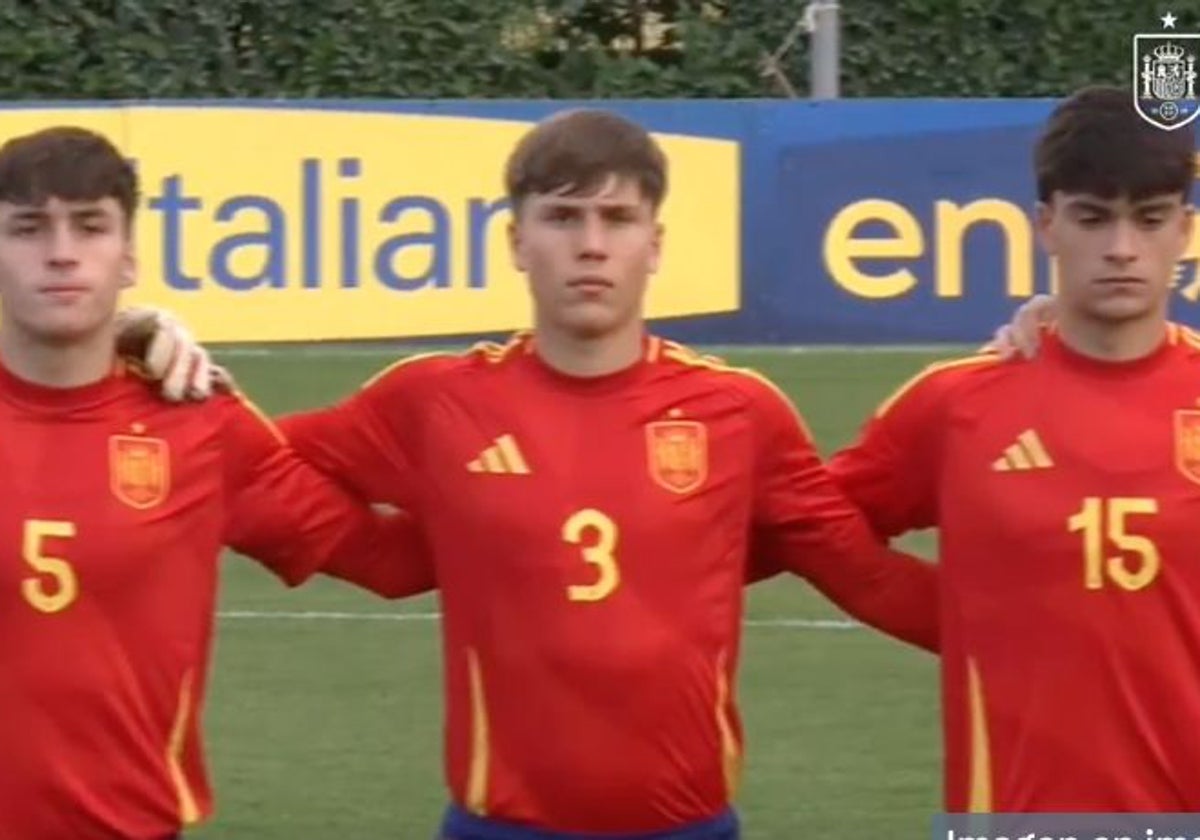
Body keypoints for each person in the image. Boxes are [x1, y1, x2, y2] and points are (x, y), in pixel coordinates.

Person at [123, 108, 939, 839]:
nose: (590, 242)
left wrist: (1033, 638)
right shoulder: (435, 401)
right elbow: (253, 464)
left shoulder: (738, 412)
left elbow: (863, 574)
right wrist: (139, 353)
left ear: (654, 244)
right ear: (516, 240)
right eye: (562, 216)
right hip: (498, 827)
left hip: (687, 829)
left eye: (617, 218)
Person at [0, 126, 433, 840]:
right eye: (26, 228)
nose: (61, 251)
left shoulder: (200, 427)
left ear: (130, 256)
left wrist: (549, 494)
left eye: (90, 226)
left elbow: (390, 562)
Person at [827, 85, 1200, 811]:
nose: (1122, 248)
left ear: (1184, 230)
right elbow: (811, 527)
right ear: (1046, 226)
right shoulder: (957, 404)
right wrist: (952, 617)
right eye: (1093, 219)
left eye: (1149, 220)